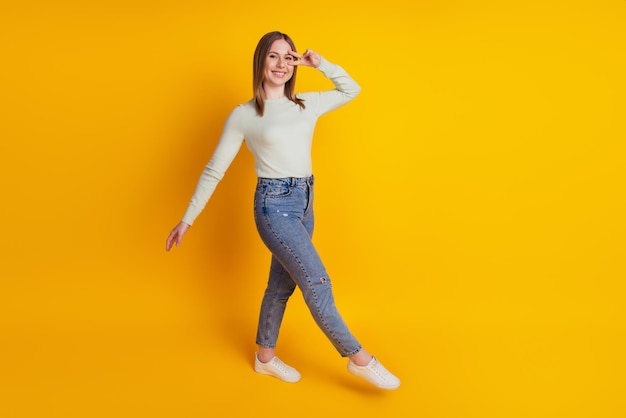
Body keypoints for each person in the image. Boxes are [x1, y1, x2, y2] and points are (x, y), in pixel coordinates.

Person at [166, 31, 400, 390]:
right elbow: (215, 169)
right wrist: (188, 218)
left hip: (305, 202)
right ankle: (359, 358)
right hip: (273, 208)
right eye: (272, 57)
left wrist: (318, 63)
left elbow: (351, 89)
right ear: (260, 62)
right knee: (317, 282)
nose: (280, 64)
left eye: (287, 57)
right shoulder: (245, 115)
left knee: (280, 287)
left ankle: (264, 358)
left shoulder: (306, 103)